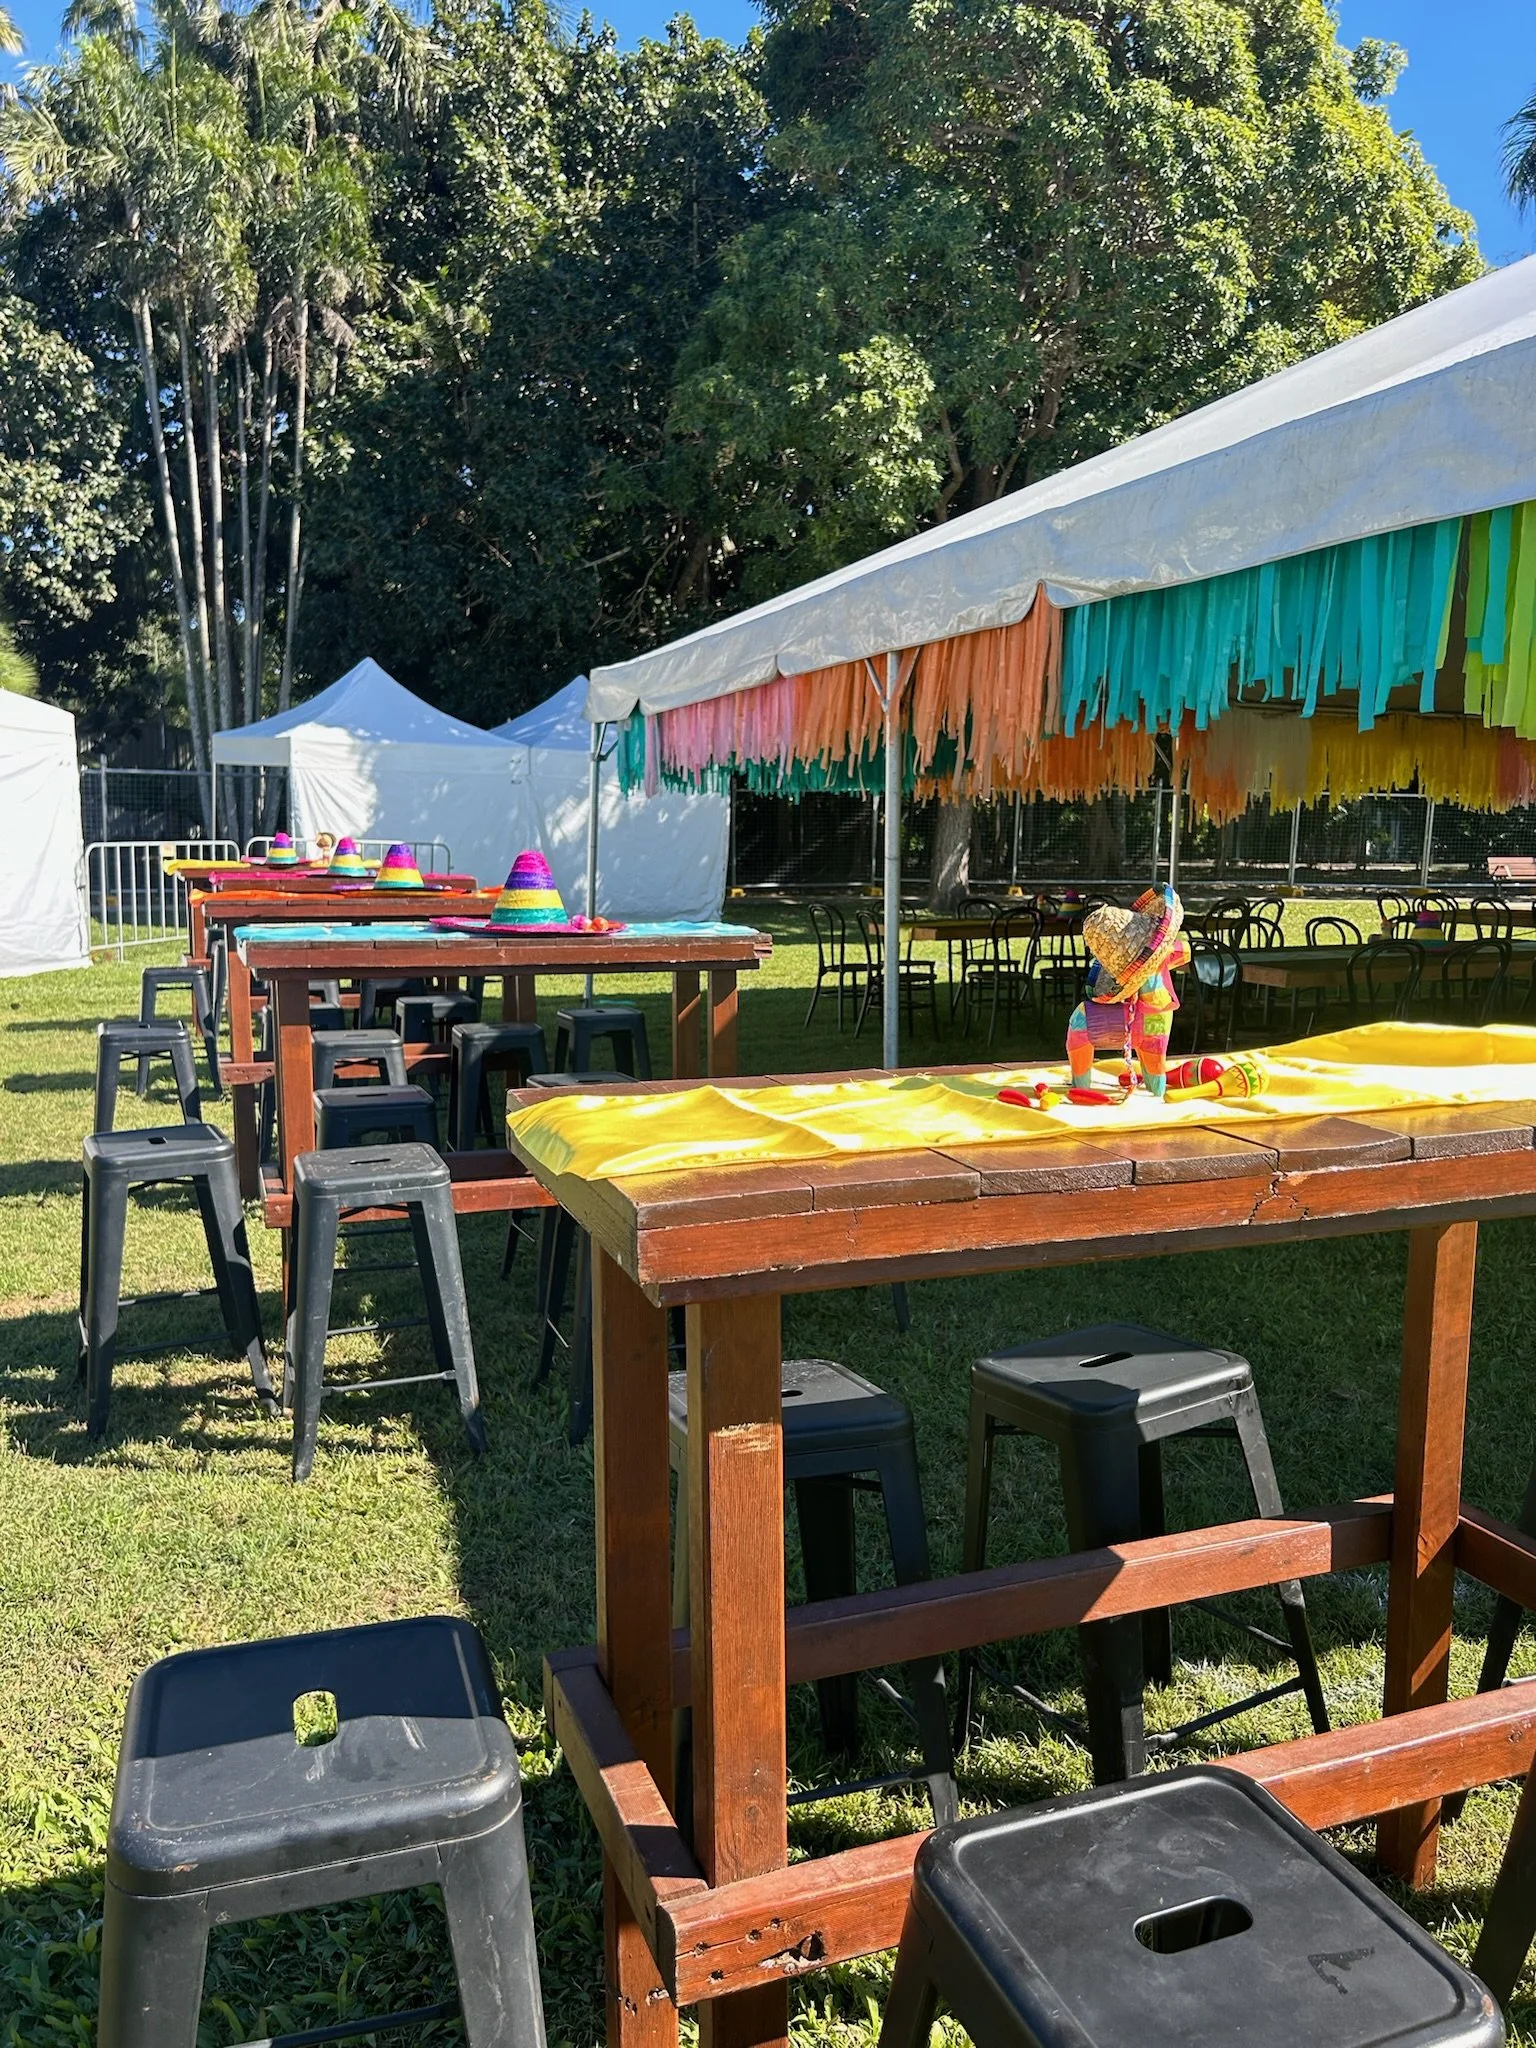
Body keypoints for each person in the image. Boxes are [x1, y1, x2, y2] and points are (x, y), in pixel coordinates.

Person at [1065, 886, 1190, 1099]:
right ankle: (1153, 1089)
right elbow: (1185, 950)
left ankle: (1081, 1085)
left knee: (1152, 1043)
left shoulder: (1164, 958)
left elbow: (1184, 951)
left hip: (1110, 1015)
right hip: (1140, 1014)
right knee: (1154, 1050)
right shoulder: (1166, 956)